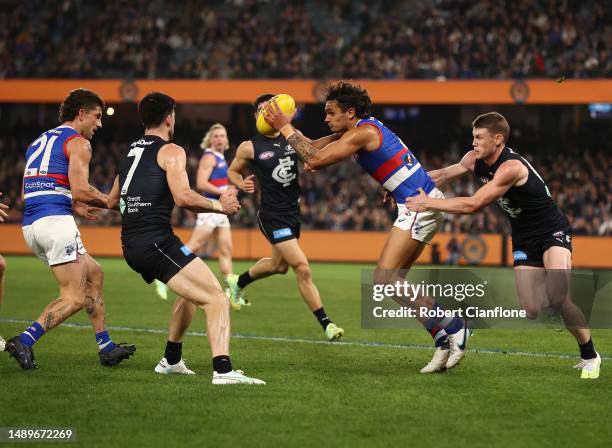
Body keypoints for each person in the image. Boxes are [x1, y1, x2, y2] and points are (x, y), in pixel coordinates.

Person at [263, 81, 470, 372]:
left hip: (418, 205)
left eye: (331, 112)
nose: (326, 118)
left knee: (384, 278)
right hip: (418, 202)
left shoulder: (363, 133)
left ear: (350, 113)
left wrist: (285, 127)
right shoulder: (358, 130)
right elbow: (311, 149)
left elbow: (314, 158)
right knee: (395, 282)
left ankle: (455, 325)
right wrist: (286, 129)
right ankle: (440, 340)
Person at [406, 111, 601, 379]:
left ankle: (590, 354)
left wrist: (427, 203)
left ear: (498, 139)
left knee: (558, 298)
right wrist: (400, 185)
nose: (473, 142)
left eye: (479, 137)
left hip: (551, 230)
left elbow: (474, 204)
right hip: (523, 236)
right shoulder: (474, 159)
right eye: (472, 136)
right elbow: (441, 174)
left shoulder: (511, 167)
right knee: (531, 310)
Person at [107, 92, 264, 384]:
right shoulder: (171, 150)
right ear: (169, 118)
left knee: (189, 292)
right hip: (155, 243)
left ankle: (171, 359)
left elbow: (110, 200)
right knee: (216, 298)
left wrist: (79, 200)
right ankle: (223, 370)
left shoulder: (129, 151)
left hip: (133, 242)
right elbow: (183, 196)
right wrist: (221, 206)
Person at [5, 89, 136, 370]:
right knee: (74, 297)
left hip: (33, 224)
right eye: (97, 117)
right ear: (81, 114)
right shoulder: (78, 143)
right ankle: (25, 340)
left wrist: (73, 205)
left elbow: (37, 187)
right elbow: (80, 188)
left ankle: (106, 346)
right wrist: (116, 203)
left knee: (95, 273)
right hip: (56, 224)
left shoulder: (39, 140)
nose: (100, 124)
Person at [226, 93, 344, 341]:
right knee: (302, 267)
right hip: (272, 216)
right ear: (255, 116)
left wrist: (340, 135)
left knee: (278, 267)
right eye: (260, 110)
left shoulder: (291, 134)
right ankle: (327, 323)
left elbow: (313, 147)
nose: (265, 113)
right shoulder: (250, 146)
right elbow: (233, 171)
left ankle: (238, 282)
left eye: (269, 108)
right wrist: (242, 183)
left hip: (292, 212)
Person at [154, 123, 236, 303]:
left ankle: (233, 293)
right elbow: (201, 183)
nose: (219, 139)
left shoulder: (221, 158)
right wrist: (224, 191)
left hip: (220, 210)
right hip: (211, 208)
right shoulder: (209, 158)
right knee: (194, 245)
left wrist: (227, 188)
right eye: (216, 136)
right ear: (210, 140)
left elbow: (217, 183)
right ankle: (163, 277)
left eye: (222, 136)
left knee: (225, 251)